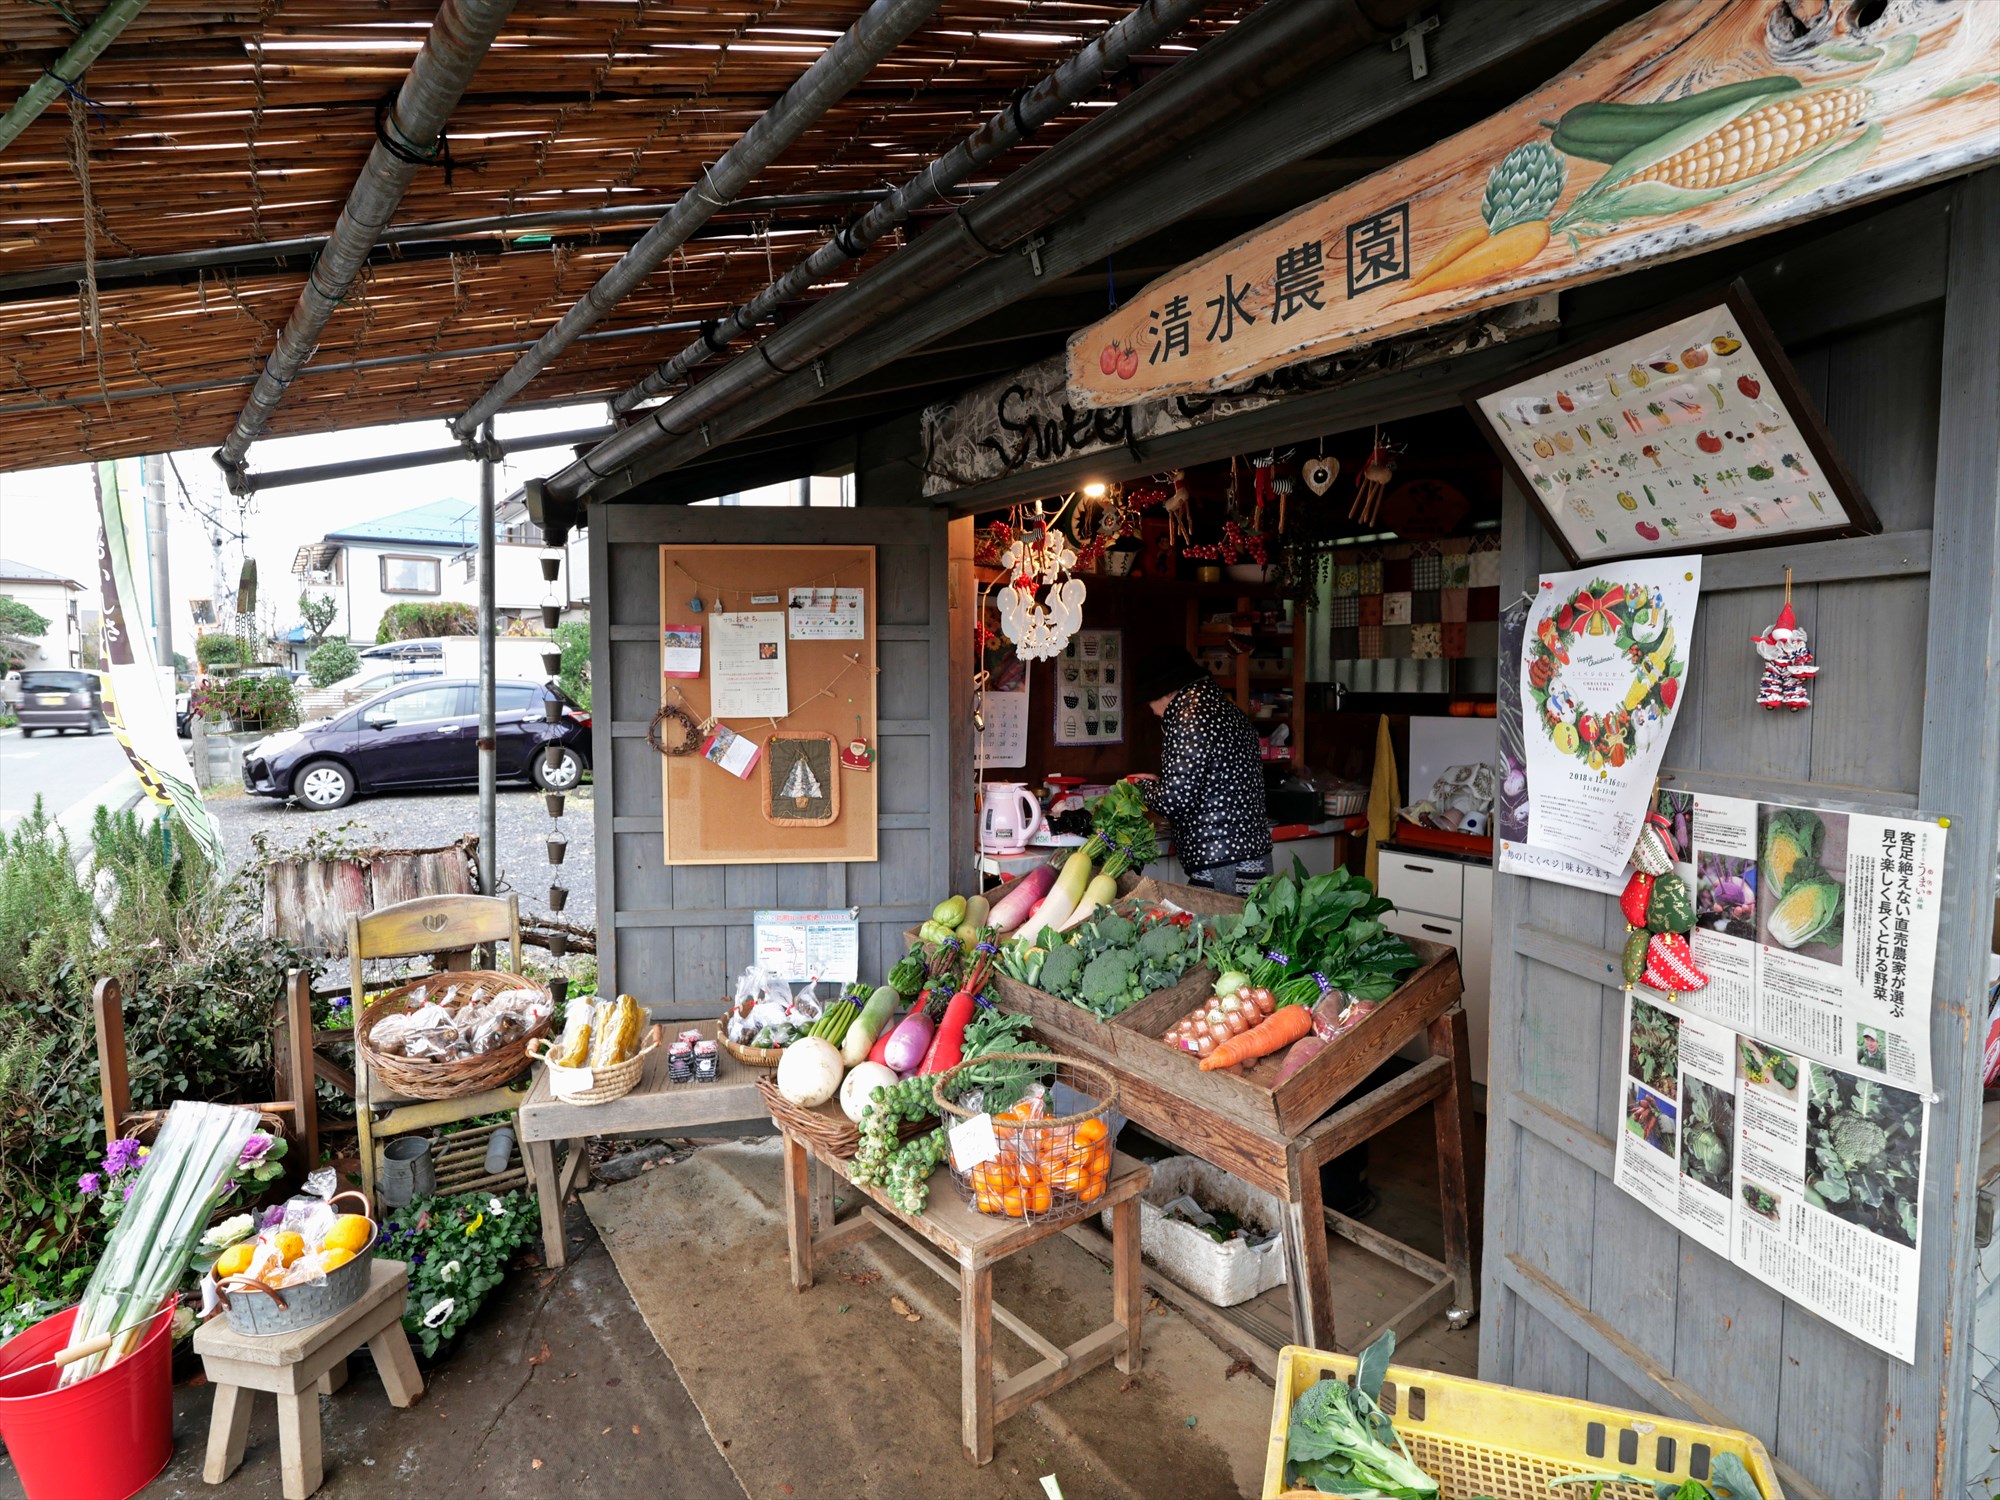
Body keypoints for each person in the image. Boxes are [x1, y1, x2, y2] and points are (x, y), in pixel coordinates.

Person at [1127, 647, 1271, 894]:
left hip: (1223, 864)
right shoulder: (1227, 710)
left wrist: (1141, 787)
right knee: (1251, 929)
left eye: (1151, 698)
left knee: (1222, 930)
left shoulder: (1188, 716)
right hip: (1250, 858)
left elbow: (1175, 800)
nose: (1152, 709)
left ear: (1169, 690)